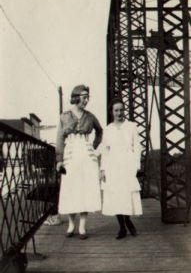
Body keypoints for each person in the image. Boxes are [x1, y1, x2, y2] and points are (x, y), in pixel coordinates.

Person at [56, 85, 102, 239]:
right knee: (70, 189)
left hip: (86, 156)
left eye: (88, 97)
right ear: (76, 97)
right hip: (70, 155)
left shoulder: (90, 116)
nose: (86, 100)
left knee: (85, 189)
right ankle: (71, 224)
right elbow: (60, 139)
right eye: (84, 97)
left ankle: (82, 226)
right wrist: (59, 160)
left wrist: (93, 147)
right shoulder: (64, 116)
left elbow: (99, 131)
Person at [100, 98, 143, 239]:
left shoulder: (131, 126)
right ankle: (122, 227)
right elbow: (105, 151)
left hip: (127, 164)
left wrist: (136, 165)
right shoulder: (108, 129)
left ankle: (128, 219)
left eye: (121, 110)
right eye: (116, 110)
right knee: (116, 196)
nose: (119, 113)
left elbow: (137, 147)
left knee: (127, 194)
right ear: (112, 112)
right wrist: (103, 170)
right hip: (113, 166)